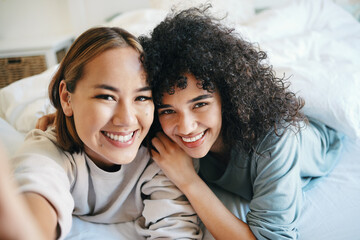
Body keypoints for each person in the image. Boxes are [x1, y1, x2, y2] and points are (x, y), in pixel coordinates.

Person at [139, 6, 344, 240]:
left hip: (314, 134)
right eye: (168, 110)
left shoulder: (276, 139)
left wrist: (188, 180)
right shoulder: (165, 135)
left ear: (226, 97)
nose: (185, 127)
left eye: (200, 104)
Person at [2, 26, 202, 240]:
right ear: (67, 98)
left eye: (142, 97)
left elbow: (176, 230)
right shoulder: (49, 151)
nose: (126, 119)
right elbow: (37, 191)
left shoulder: (162, 156)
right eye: (106, 97)